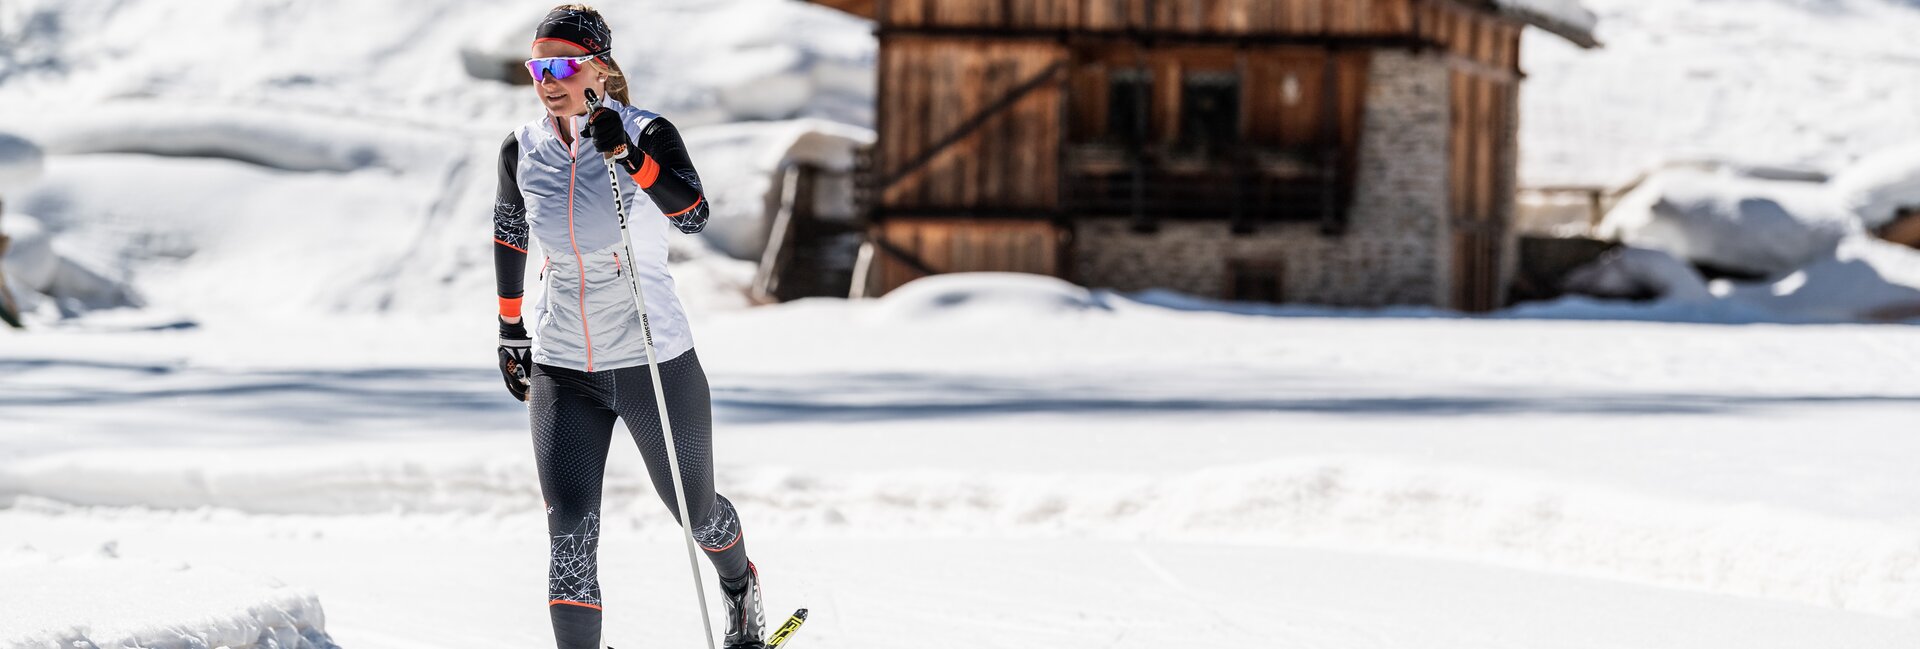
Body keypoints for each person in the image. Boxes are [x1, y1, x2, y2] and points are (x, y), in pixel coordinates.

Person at [491, 6, 760, 648]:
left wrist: (632, 158)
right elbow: (509, 231)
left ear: (599, 69)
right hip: (562, 364)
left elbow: (692, 215)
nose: (547, 80)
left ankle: (741, 585)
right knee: (570, 530)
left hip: (653, 359)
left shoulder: (648, 131)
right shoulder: (521, 148)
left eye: (561, 65)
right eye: (538, 66)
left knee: (696, 513)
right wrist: (510, 329)